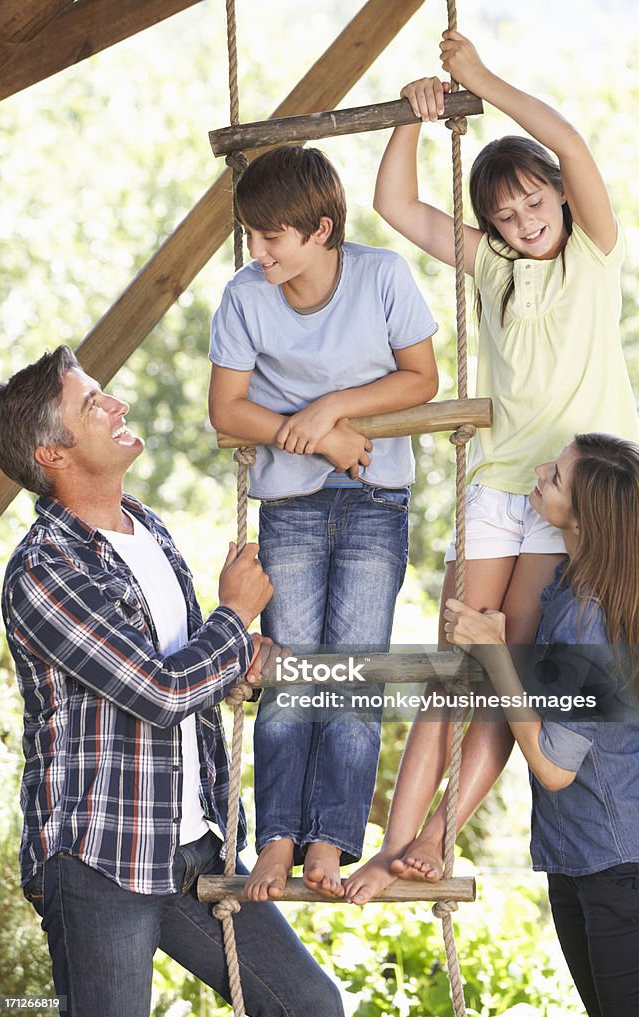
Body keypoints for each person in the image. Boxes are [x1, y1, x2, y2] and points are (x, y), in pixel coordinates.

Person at [345, 29, 639, 903]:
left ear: (555, 194)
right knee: (454, 665)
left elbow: (575, 144)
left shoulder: (593, 254)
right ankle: (392, 850)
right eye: (505, 217)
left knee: (505, 666)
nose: (523, 224)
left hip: (570, 501)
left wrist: (478, 80)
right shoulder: (493, 268)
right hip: (500, 491)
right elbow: (395, 206)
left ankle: (437, 837)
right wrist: (411, 113)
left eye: (533, 206)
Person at [0, 346, 345, 1017]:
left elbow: (184, 676)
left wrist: (237, 668)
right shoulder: (43, 569)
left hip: (190, 845)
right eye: (91, 404)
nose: (115, 404)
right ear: (52, 455)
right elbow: (157, 692)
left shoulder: (145, 526)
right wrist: (235, 617)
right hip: (98, 853)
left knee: (308, 1007)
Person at [208, 144, 439, 900]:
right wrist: (312, 440)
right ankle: (276, 838)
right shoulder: (245, 296)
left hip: (376, 500)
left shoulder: (381, 276)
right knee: (294, 668)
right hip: (291, 505)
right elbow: (227, 409)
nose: (258, 250)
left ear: (321, 230)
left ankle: (330, 840)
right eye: (251, 234)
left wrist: (329, 410)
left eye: (272, 236)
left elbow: (421, 377)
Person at [444, 433, 639, 1017]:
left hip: (623, 867)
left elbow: (553, 768)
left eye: (558, 477)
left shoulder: (592, 620)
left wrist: (496, 653)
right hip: (581, 861)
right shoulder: (572, 587)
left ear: (588, 515)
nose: (542, 470)